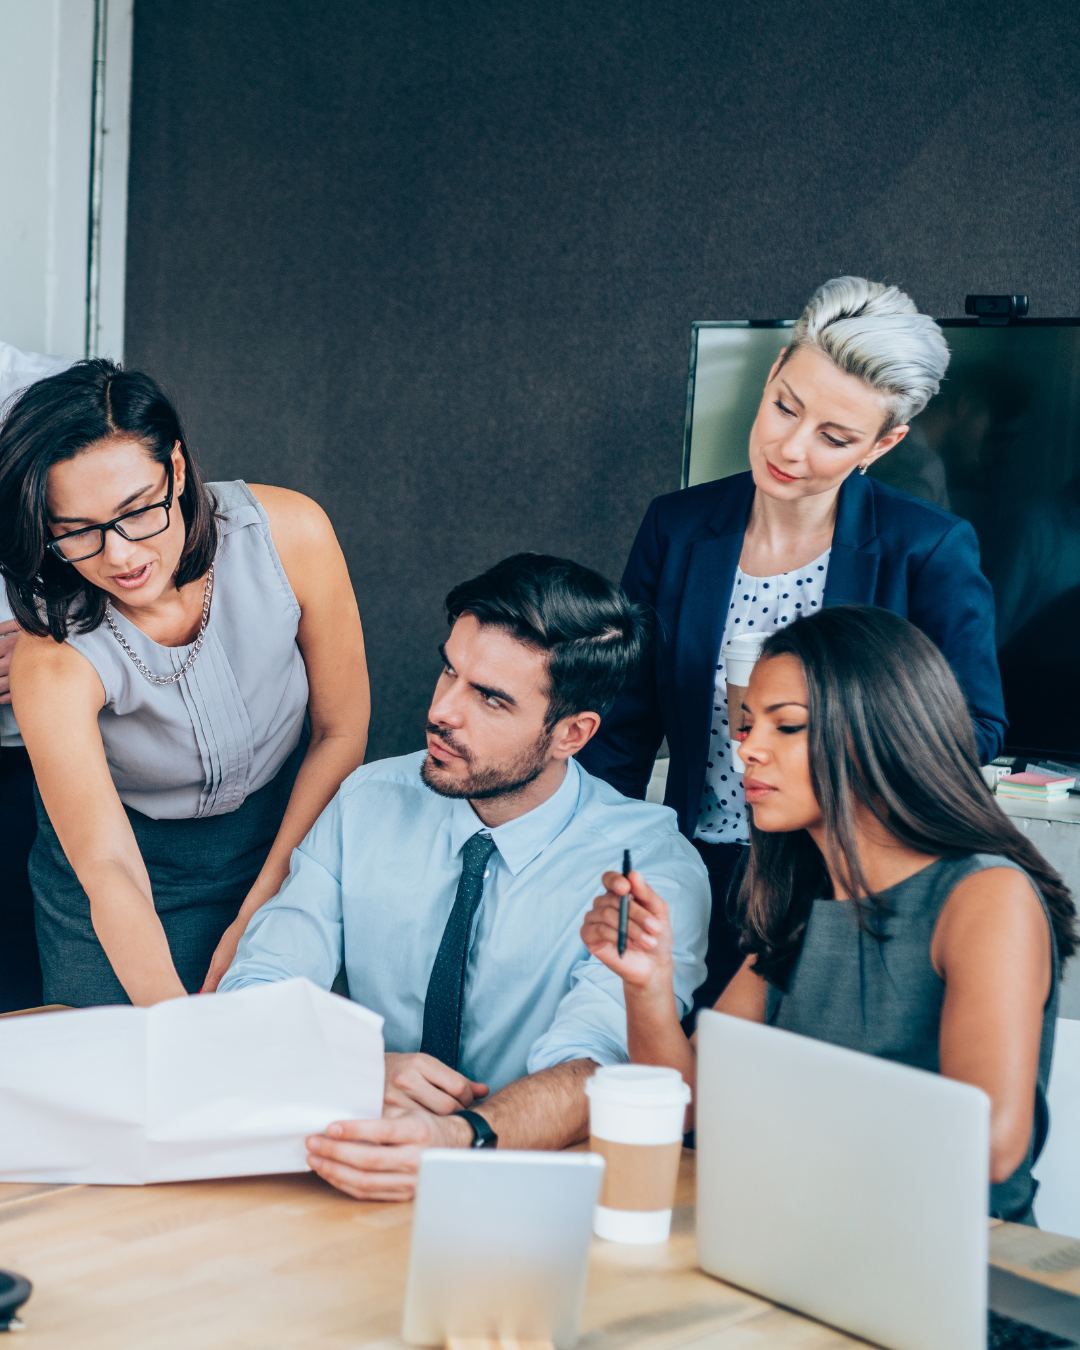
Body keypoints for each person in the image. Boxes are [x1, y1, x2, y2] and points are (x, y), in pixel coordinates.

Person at [219, 553, 710, 1202]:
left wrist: (458, 1138)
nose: (444, 712)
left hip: (537, 1194)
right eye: (450, 669)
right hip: (355, 1164)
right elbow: (256, 991)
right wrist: (351, 1070)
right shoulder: (367, 800)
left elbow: (599, 1069)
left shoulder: (647, 866)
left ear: (571, 733)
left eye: (490, 699)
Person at [578, 277, 1007, 1016]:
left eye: (835, 438)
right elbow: (623, 725)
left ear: (884, 444)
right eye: (785, 406)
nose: (789, 447)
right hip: (692, 868)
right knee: (680, 1084)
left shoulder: (926, 548)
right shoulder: (676, 527)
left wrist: (827, 731)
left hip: (841, 879)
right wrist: (592, 860)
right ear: (775, 369)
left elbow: (975, 727)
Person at [582, 605, 1076, 1224]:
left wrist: (766, 1107)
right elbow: (688, 1105)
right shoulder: (804, 902)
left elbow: (991, 1146)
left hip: (957, 1270)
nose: (747, 753)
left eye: (786, 726)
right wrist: (647, 984)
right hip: (806, 1234)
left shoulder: (985, 895)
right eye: (744, 726)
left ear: (881, 733)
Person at [0, 359, 370, 1007]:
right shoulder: (49, 656)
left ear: (174, 469)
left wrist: (268, 902)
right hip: (123, 877)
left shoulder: (291, 533)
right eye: (78, 531)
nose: (119, 555)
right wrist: (178, 1028)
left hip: (286, 835)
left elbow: (340, 732)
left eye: (136, 512)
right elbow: (108, 866)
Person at [0, 340, 72, 1012]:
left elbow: (149, 555)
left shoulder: (54, 395)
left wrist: (47, 627)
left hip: (37, 758)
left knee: (30, 997)